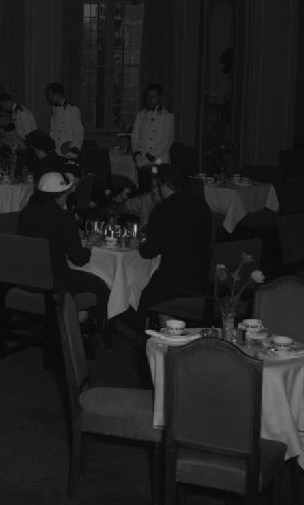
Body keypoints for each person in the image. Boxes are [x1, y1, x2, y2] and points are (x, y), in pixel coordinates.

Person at [123, 164, 212, 335]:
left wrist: (136, 244)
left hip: (175, 281)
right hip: (201, 277)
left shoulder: (163, 209)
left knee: (138, 289)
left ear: (164, 185)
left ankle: (155, 334)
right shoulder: (202, 205)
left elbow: (148, 251)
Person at [17, 172, 111, 330]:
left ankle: (66, 321)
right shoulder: (64, 217)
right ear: (62, 195)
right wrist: (90, 244)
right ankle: (80, 329)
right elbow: (80, 259)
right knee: (102, 286)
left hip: (26, 277)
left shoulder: (27, 213)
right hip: (53, 281)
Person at [130, 84, 175, 192]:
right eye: (148, 96)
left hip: (159, 162)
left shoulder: (167, 116)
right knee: (143, 192)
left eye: (153, 96)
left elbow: (167, 140)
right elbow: (134, 137)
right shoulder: (140, 115)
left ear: (160, 97)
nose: (150, 99)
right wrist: (137, 154)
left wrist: (151, 156)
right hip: (141, 162)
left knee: (158, 193)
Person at [45, 82, 84, 162]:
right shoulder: (54, 108)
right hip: (56, 153)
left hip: (68, 154)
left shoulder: (72, 109)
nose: (49, 99)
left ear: (57, 94)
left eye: (50, 96)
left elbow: (79, 133)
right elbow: (52, 131)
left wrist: (70, 145)